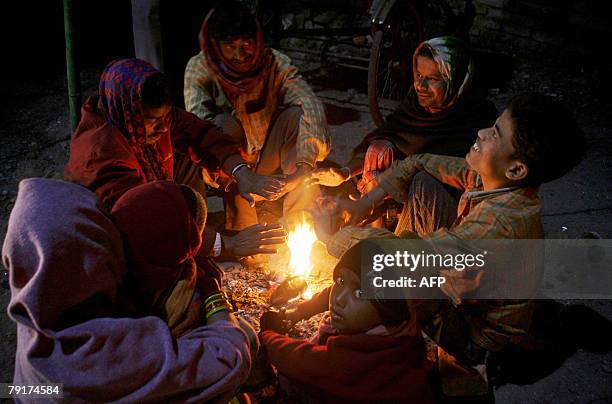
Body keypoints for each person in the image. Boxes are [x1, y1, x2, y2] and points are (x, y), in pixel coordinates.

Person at [310, 93, 586, 396]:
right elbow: (418, 162)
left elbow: (400, 259)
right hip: (461, 271)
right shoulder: (493, 180)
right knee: (424, 181)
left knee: (388, 275)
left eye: (495, 133)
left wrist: (329, 238)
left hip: (476, 337)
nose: (482, 133)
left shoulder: (498, 225)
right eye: (491, 126)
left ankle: (403, 365)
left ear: (517, 169)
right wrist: (363, 204)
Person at [2, 178, 253, 401]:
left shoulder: (45, 291)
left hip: (27, 391)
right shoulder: (98, 353)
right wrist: (215, 300)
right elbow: (227, 359)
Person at [64, 58, 285, 260]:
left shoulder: (137, 114)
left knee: (207, 141)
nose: (163, 127)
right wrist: (224, 244)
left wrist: (242, 173)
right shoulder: (102, 155)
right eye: (152, 120)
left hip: (150, 194)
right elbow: (145, 220)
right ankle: (200, 244)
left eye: (165, 117)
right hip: (117, 234)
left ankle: (200, 232)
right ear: (129, 113)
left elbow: (200, 134)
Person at [309, 36, 497, 223]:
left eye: (432, 79)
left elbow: (472, 178)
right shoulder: (415, 106)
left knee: (423, 179)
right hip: (398, 189)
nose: (420, 86)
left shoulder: (478, 119)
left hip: (444, 207)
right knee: (378, 149)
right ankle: (377, 230)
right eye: (418, 76)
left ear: (455, 81)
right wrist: (345, 172)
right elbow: (389, 134)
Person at [184, 0, 330, 230]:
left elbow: (310, 103)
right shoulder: (200, 67)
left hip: (266, 156)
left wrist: (303, 168)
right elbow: (199, 127)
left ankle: (302, 219)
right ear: (215, 45)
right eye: (230, 46)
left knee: (296, 116)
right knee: (223, 125)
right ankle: (240, 213)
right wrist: (240, 173)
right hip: (230, 169)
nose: (240, 54)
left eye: (247, 44)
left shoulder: (273, 62)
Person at [258, 242, 434, 403]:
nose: (339, 299)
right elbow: (333, 291)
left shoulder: (360, 357)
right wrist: (298, 312)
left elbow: (303, 360)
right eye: (340, 281)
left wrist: (267, 337)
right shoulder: (397, 322)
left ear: (385, 309)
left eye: (359, 293)